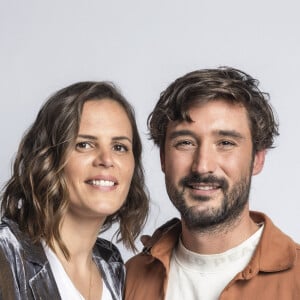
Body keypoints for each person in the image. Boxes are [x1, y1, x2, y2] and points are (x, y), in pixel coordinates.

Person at [125, 67, 300, 299]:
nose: (202, 166)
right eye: (185, 143)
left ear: (257, 159)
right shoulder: (129, 277)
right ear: (163, 159)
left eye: (225, 143)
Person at [0, 81, 148, 300]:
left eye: (119, 147)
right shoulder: (5, 254)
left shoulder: (113, 266)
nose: (106, 160)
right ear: (48, 158)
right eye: (85, 144)